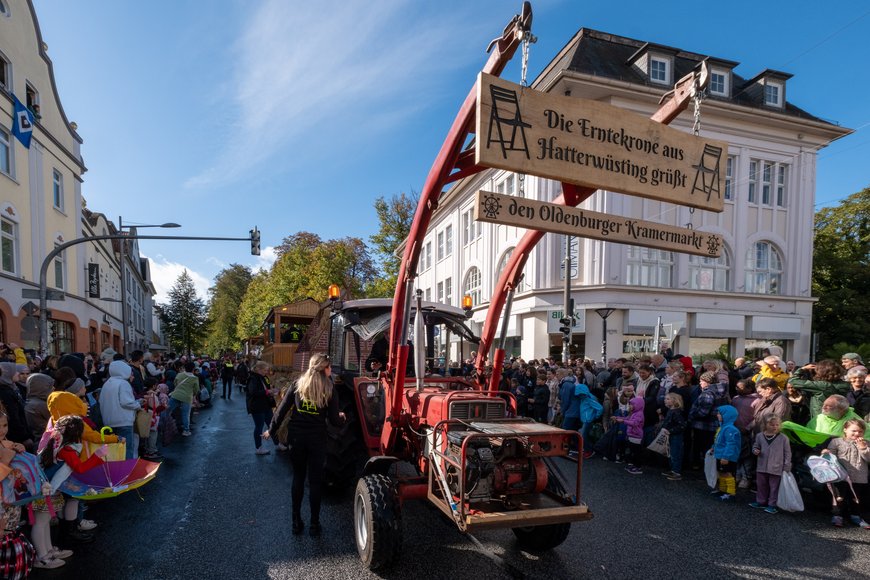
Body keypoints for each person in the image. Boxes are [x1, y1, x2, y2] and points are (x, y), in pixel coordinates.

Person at [264, 353, 345, 536]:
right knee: (315, 482)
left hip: (297, 439)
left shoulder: (297, 385)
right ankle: (314, 525)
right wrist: (341, 418)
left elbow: (281, 411)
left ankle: (295, 522)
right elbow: (333, 421)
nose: (331, 370)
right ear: (324, 368)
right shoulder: (330, 389)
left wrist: (271, 430)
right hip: (317, 440)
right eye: (329, 367)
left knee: (298, 478)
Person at [36, 415, 109, 567]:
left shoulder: (58, 443)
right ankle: (42, 556)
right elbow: (80, 468)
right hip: (45, 490)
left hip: (48, 488)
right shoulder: (67, 449)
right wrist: (98, 455)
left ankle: (49, 550)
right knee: (41, 523)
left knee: (45, 521)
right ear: (77, 434)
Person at [822, 419, 870, 528]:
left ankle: (856, 516)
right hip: (840, 476)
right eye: (854, 431)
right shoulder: (836, 442)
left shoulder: (866, 443)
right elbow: (830, 457)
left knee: (856, 497)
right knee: (839, 497)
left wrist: (863, 448)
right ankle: (837, 515)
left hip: (859, 477)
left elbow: (868, 459)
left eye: (860, 431)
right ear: (845, 430)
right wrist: (826, 453)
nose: (857, 434)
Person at [99, 360, 143, 459]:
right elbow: (127, 402)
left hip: (108, 421)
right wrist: (138, 404)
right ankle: (127, 471)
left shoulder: (107, 383)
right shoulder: (123, 383)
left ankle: (117, 470)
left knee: (114, 450)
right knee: (126, 449)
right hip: (124, 421)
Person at [750, 414, 791, 514]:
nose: (775, 427)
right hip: (761, 466)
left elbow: (787, 453)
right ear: (765, 425)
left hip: (777, 467)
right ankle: (761, 501)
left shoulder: (784, 438)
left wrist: (787, 466)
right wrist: (755, 450)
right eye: (772, 425)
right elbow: (756, 446)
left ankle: (772, 505)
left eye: (777, 425)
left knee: (774, 487)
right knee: (761, 485)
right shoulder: (759, 436)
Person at [0, 362, 34, 452]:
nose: (18, 373)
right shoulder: (6, 393)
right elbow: (14, 417)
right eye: (15, 371)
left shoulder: (12, 388)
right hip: (16, 438)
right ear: (7, 374)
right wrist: (24, 437)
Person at [246, 361, 276, 455]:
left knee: (272, 424)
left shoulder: (262, 377)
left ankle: (278, 444)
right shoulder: (253, 378)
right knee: (259, 427)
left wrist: (271, 390)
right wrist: (267, 392)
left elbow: (265, 388)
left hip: (266, 404)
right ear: (258, 369)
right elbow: (253, 392)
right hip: (257, 406)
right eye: (265, 370)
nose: (266, 372)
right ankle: (258, 448)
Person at [712, 405, 741, 500]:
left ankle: (730, 493)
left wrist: (726, 457)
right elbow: (718, 440)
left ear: (727, 416)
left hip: (726, 457)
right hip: (720, 455)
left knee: (727, 473)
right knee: (721, 472)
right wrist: (713, 448)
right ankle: (723, 490)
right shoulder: (723, 428)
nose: (717, 415)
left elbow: (731, 444)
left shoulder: (730, 429)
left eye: (720, 414)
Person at [613, 396, 645, 474]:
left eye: (631, 404)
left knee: (637, 452)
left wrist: (622, 421)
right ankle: (634, 465)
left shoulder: (639, 414)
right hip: (632, 435)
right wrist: (617, 418)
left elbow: (634, 423)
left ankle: (638, 467)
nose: (630, 406)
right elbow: (627, 418)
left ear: (638, 405)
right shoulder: (634, 413)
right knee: (633, 451)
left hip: (636, 436)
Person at [660, 392, 687, 481]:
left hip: (676, 436)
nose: (665, 400)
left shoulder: (677, 412)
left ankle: (676, 472)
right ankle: (672, 469)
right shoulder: (670, 411)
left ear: (675, 401)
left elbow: (682, 426)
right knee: (670, 453)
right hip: (670, 436)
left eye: (668, 399)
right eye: (665, 399)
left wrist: (670, 431)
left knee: (675, 453)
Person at [168, 362, 199, 437]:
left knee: (167, 410)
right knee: (185, 414)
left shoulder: (179, 374)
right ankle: (186, 430)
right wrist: (193, 395)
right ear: (193, 369)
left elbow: (175, 383)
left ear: (184, 367)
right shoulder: (195, 378)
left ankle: (162, 427)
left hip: (176, 395)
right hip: (187, 397)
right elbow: (196, 389)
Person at [24, 373, 54, 440]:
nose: (53, 388)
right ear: (41, 387)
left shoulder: (31, 401)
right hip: (47, 439)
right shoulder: (39, 405)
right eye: (49, 386)